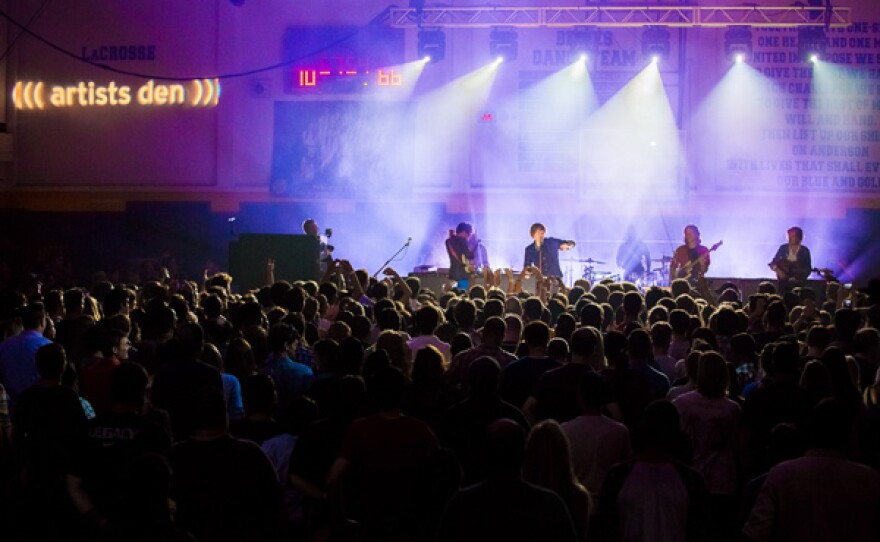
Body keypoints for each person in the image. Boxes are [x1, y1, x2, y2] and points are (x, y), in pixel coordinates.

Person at [769, 226, 812, 293]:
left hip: (798, 284)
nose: (789, 238)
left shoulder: (805, 251)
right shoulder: (783, 248)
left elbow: (808, 268)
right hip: (783, 283)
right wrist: (779, 271)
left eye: (792, 236)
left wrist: (798, 278)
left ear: (799, 237)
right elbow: (773, 263)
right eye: (788, 236)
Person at [446, 222, 475, 290]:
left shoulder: (448, 241)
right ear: (464, 232)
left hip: (452, 272)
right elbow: (469, 255)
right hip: (462, 274)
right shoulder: (462, 241)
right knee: (462, 294)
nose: (468, 237)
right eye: (469, 234)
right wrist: (473, 248)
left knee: (453, 294)